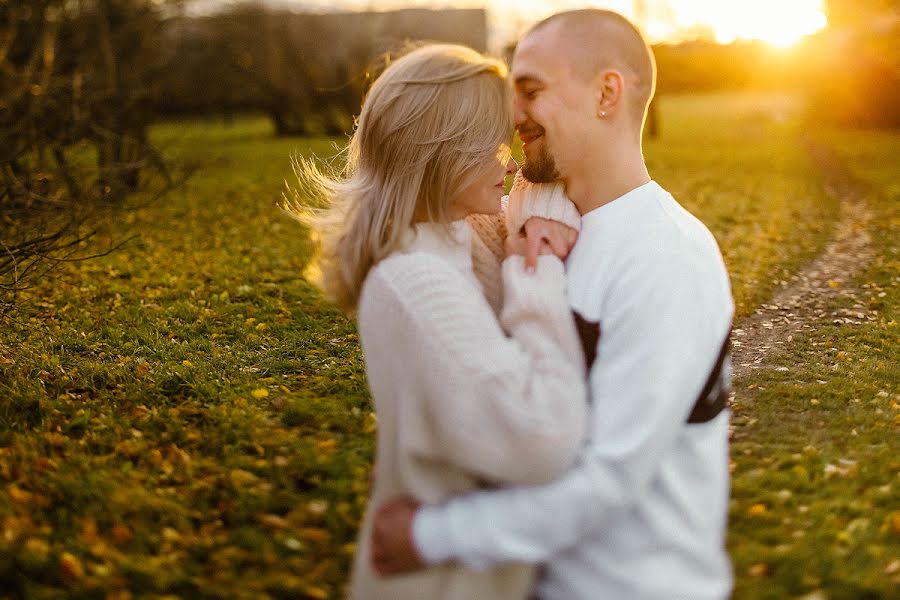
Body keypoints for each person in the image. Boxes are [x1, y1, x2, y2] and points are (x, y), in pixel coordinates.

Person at [370, 10, 736, 600]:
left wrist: (432, 534)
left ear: (607, 93)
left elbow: (608, 484)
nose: (512, 118)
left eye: (531, 91)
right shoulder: (533, 218)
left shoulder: (667, 258)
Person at [288, 43, 591, 599]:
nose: (510, 162)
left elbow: (539, 202)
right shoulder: (416, 284)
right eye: (491, 144)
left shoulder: (458, 238)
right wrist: (537, 272)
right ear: (442, 151)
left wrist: (531, 230)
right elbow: (543, 439)